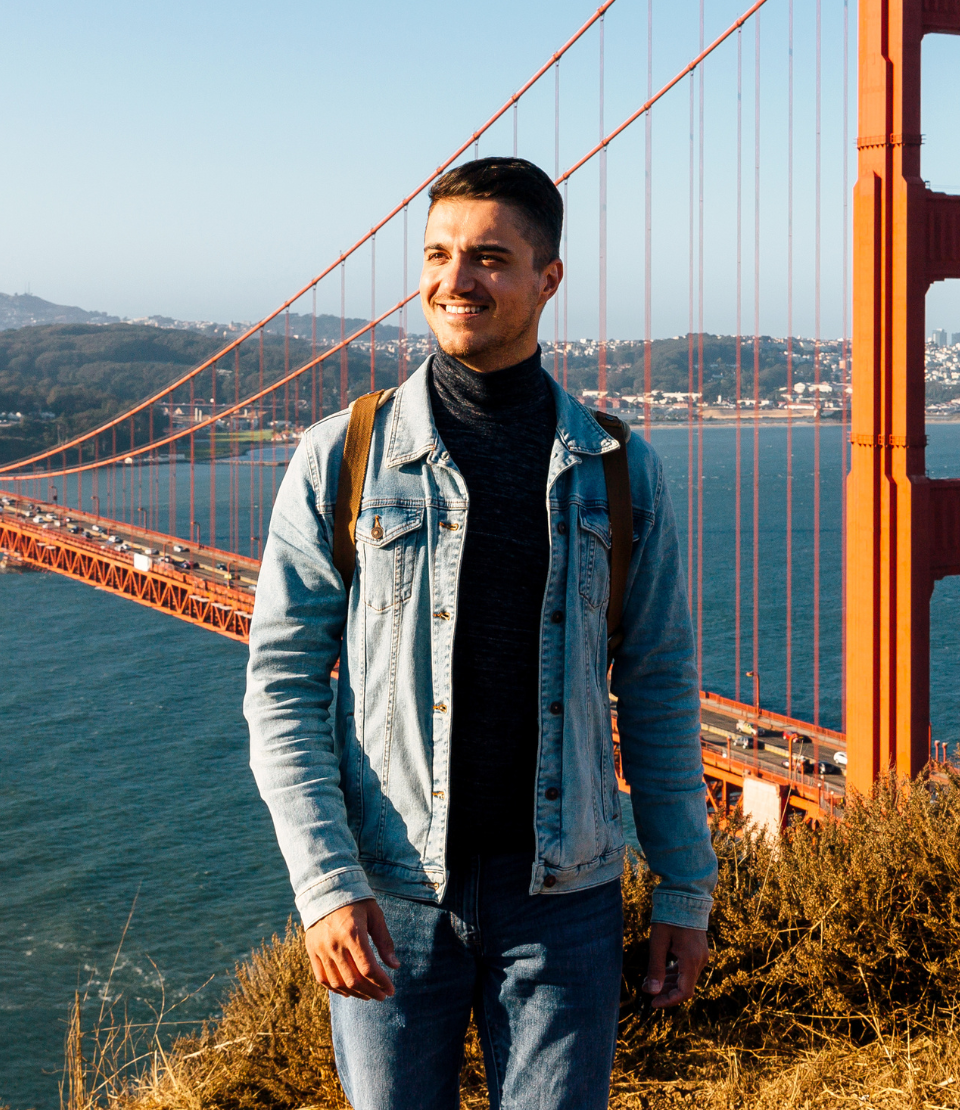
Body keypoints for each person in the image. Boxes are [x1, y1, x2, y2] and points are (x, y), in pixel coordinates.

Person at [245, 157, 717, 1110]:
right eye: (438, 254)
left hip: (567, 898)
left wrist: (683, 888)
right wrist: (326, 884)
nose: (455, 281)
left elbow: (659, 687)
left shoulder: (622, 471)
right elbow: (283, 681)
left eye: (491, 258)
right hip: (389, 896)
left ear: (549, 279)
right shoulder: (342, 456)